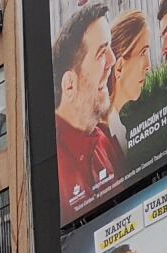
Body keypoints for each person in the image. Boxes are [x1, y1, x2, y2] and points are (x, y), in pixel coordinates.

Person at [52, 3, 124, 214]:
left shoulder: (103, 140)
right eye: (102, 52)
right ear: (70, 85)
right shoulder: (53, 166)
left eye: (110, 48)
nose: (112, 60)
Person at [106, 12, 152, 151]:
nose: (148, 66)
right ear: (119, 67)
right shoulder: (106, 133)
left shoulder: (115, 128)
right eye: (143, 53)